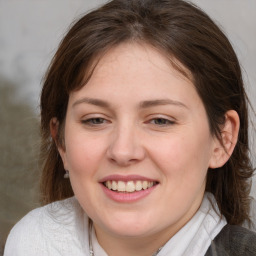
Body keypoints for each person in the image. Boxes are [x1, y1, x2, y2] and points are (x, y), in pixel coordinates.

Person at [4, 0, 256, 255]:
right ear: (61, 142)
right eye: (96, 120)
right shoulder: (31, 243)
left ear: (223, 139)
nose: (123, 151)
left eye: (160, 120)